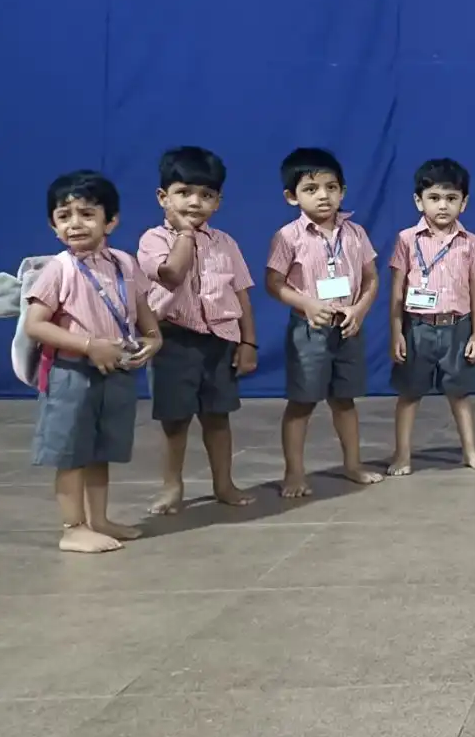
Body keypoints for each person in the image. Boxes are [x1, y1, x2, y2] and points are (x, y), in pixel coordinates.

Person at [23, 171, 163, 552]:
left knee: (102, 450)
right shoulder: (59, 269)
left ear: (111, 221)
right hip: (71, 374)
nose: (75, 224)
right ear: (53, 226)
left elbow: (142, 309)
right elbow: (36, 325)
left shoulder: (124, 264)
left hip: (115, 372)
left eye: (86, 214)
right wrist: (88, 345)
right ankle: (73, 527)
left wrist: (154, 338)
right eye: (64, 216)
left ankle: (99, 519)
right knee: (71, 453)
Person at [137, 146, 258, 514]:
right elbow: (172, 274)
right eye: (184, 193)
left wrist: (248, 342)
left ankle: (224, 483)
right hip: (173, 340)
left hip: (219, 341)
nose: (195, 202)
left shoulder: (226, 243)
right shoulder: (153, 240)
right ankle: (172, 486)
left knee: (218, 417)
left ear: (218, 202)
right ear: (163, 197)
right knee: (175, 421)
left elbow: (241, 293)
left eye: (206, 195)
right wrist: (186, 235)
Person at [265, 147, 381, 497]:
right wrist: (307, 304)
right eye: (311, 189)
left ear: (342, 191)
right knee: (302, 403)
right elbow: (274, 282)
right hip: (309, 330)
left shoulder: (356, 233)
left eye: (331, 187)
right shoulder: (288, 236)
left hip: (348, 327)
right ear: (292, 196)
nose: (323, 196)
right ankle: (294, 473)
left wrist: (359, 310)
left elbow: (372, 278)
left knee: (345, 400)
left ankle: (353, 464)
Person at [387, 158, 475, 475]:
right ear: (419, 201)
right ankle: (402, 456)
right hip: (417, 328)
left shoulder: (470, 242)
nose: (443, 205)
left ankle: (470, 452)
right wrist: (396, 332)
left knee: (460, 394)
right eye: (434, 197)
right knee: (409, 395)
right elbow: (397, 290)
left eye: (451, 198)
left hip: (457, 328)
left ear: (464, 202)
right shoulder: (406, 239)